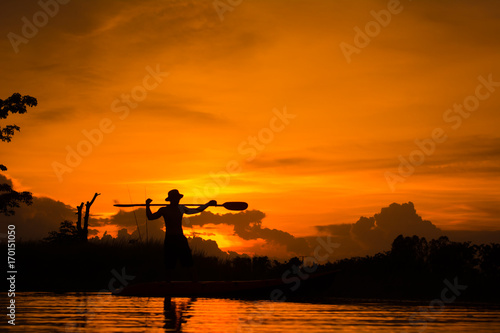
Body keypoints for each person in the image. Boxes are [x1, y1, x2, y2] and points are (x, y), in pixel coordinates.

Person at [146, 189, 216, 282]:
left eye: (178, 198)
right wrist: (147, 205)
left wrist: (208, 204)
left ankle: (195, 283)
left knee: (189, 262)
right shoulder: (164, 210)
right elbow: (150, 217)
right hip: (170, 239)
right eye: (175, 198)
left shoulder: (181, 208)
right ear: (171, 199)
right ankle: (168, 285)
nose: (177, 200)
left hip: (180, 239)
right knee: (169, 264)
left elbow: (197, 210)